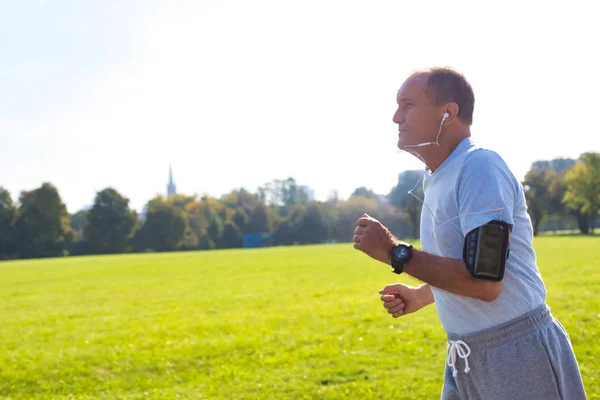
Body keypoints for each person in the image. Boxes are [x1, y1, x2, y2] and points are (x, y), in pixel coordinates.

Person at [352, 67, 587, 399]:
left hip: (515, 352)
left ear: (447, 112)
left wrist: (394, 252)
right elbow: (466, 264)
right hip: (465, 354)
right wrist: (422, 295)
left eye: (408, 105)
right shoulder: (437, 176)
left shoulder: (480, 167)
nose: (395, 117)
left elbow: (485, 282)